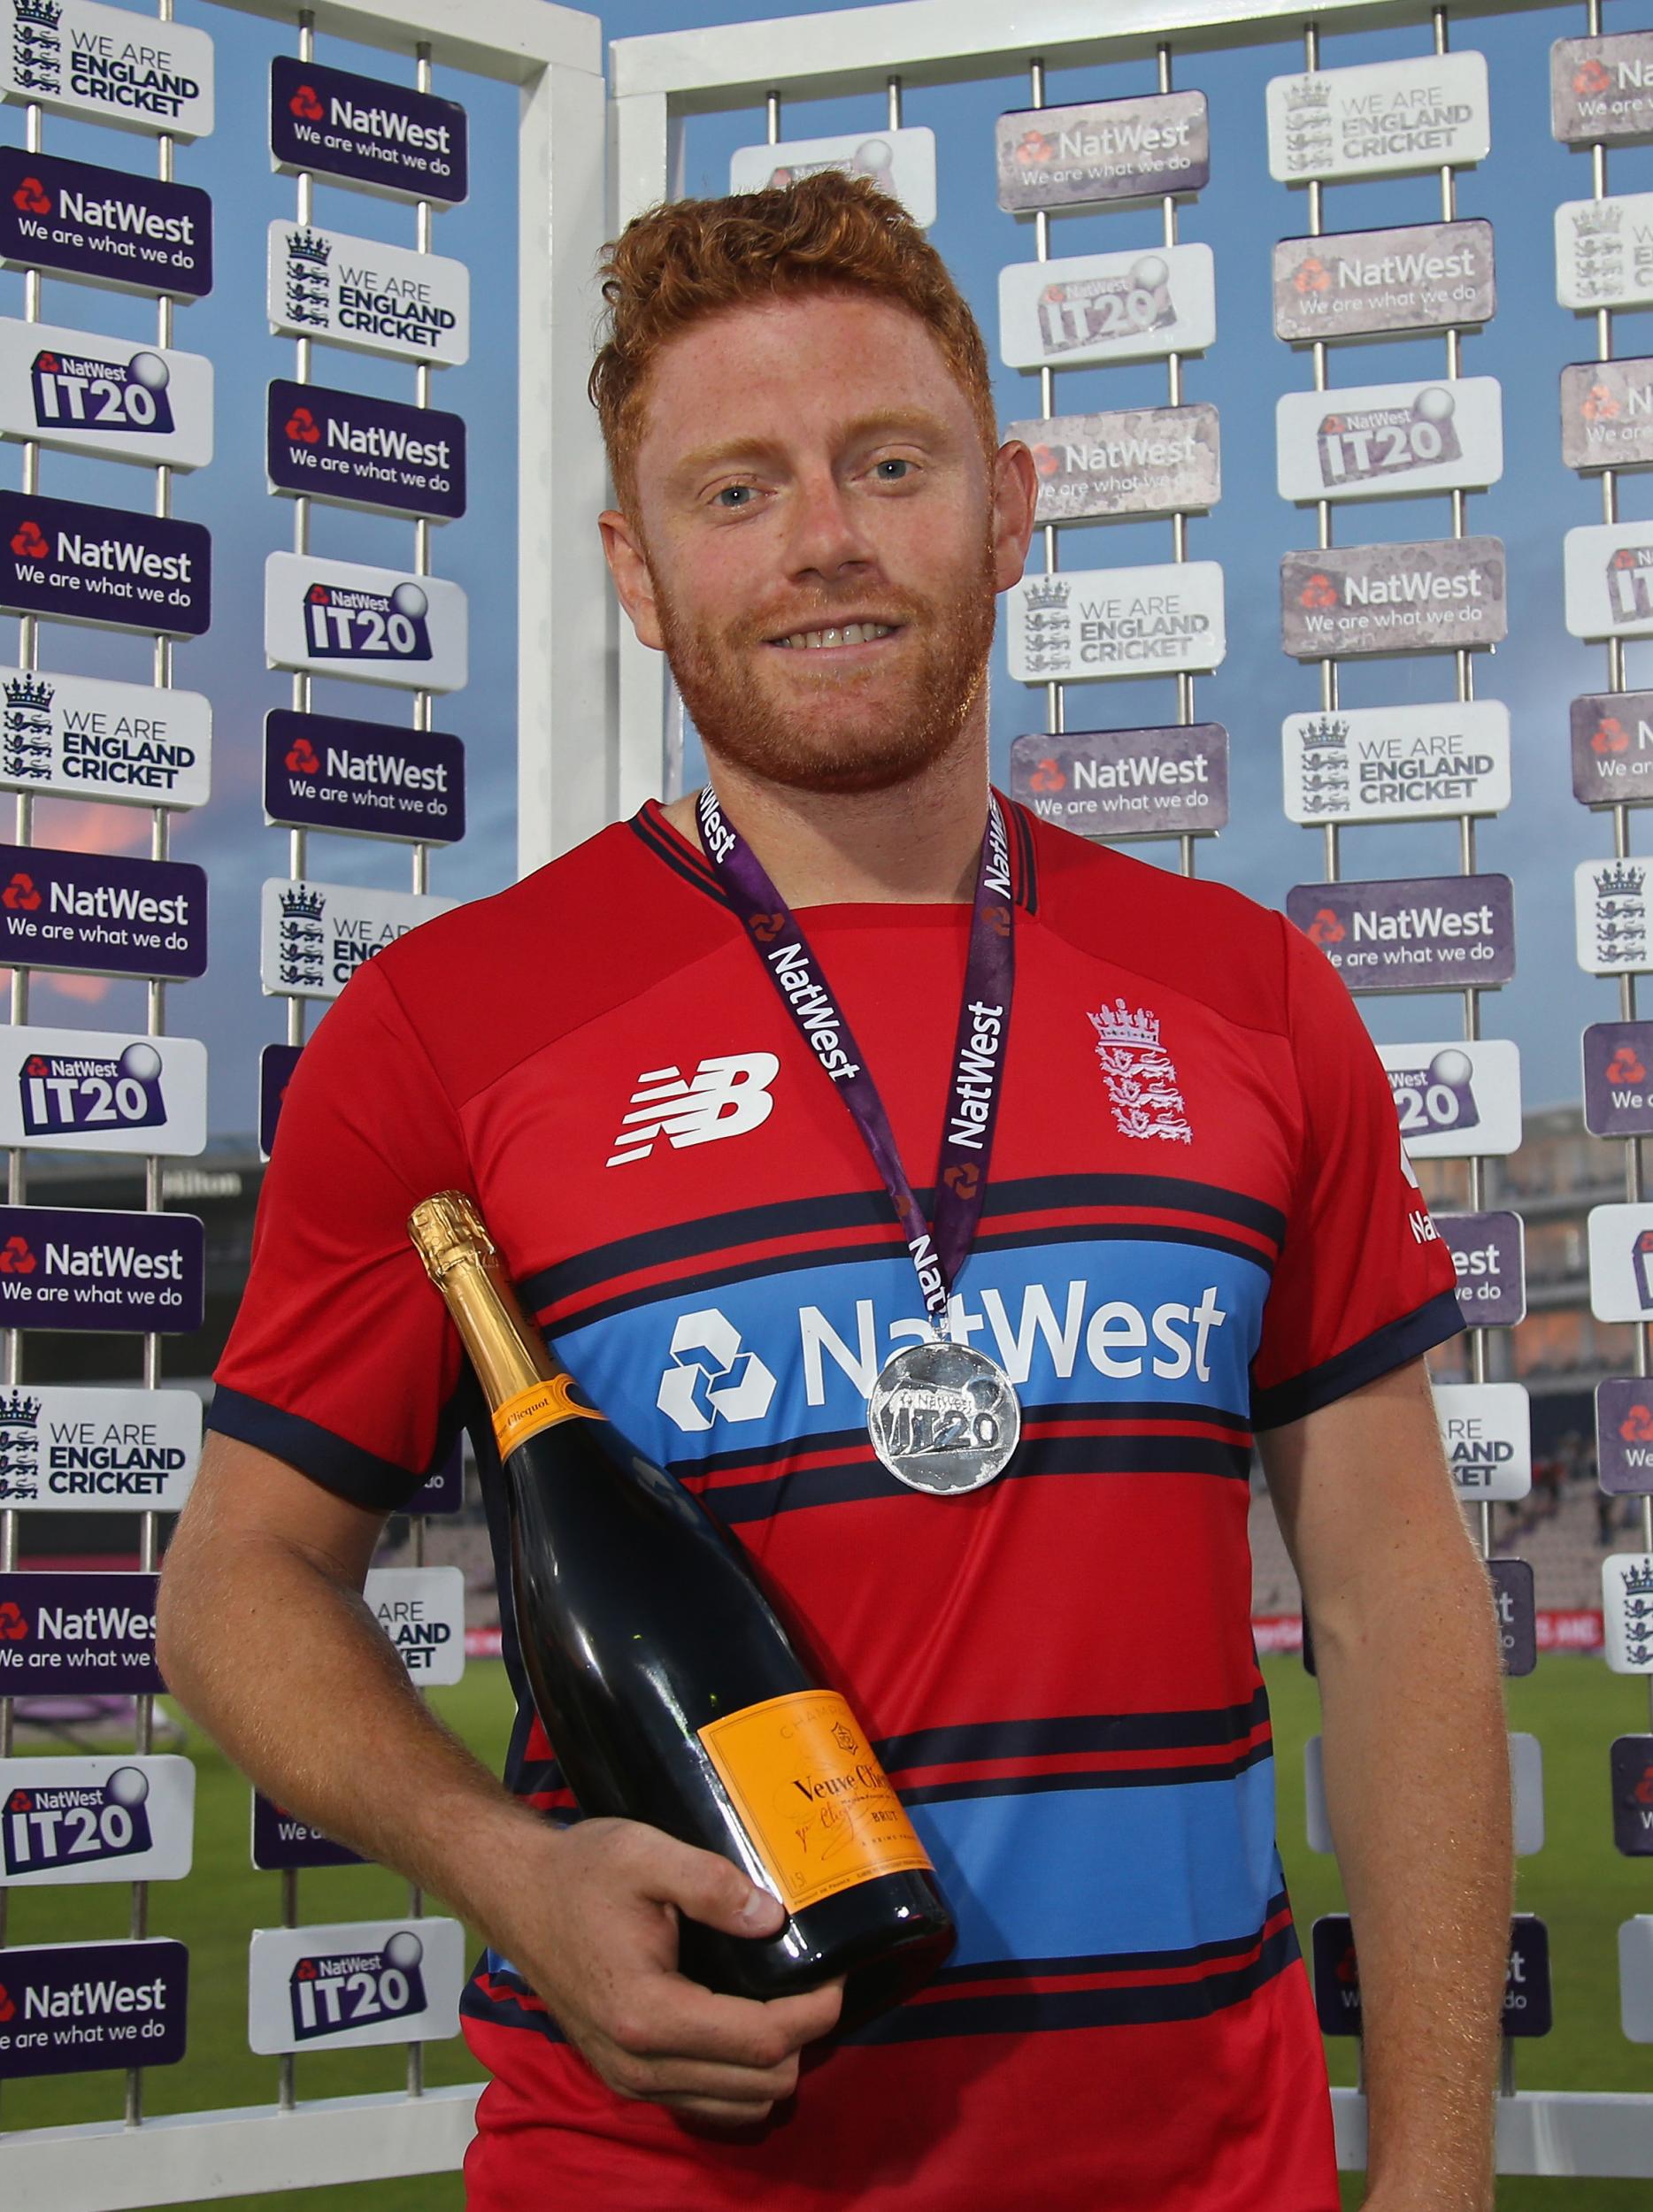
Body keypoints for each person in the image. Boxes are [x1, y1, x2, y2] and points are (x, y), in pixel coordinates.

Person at [158, 173, 1512, 2211]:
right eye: (734, 488)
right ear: (633, 566)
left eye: (888, 462)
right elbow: (237, 1580)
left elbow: (1402, 1602)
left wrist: (1433, 2170)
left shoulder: (1249, 999)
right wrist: (506, 1868)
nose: (823, 539)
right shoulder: (451, 1024)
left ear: (1008, 503)